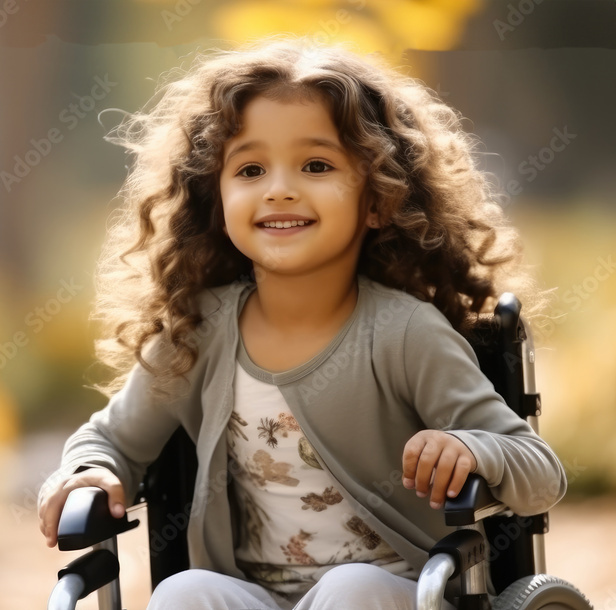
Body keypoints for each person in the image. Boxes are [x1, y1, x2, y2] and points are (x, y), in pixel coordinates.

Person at [37, 37, 566, 610]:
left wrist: (473, 449)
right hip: (256, 596)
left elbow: (540, 472)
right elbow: (112, 438)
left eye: (316, 165)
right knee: (184, 591)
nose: (279, 188)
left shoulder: (404, 334)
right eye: (250, 168)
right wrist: (88, 472)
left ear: (378, 200)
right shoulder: (199, 331)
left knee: (350, 587)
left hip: (400, 594)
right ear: (218, 197)